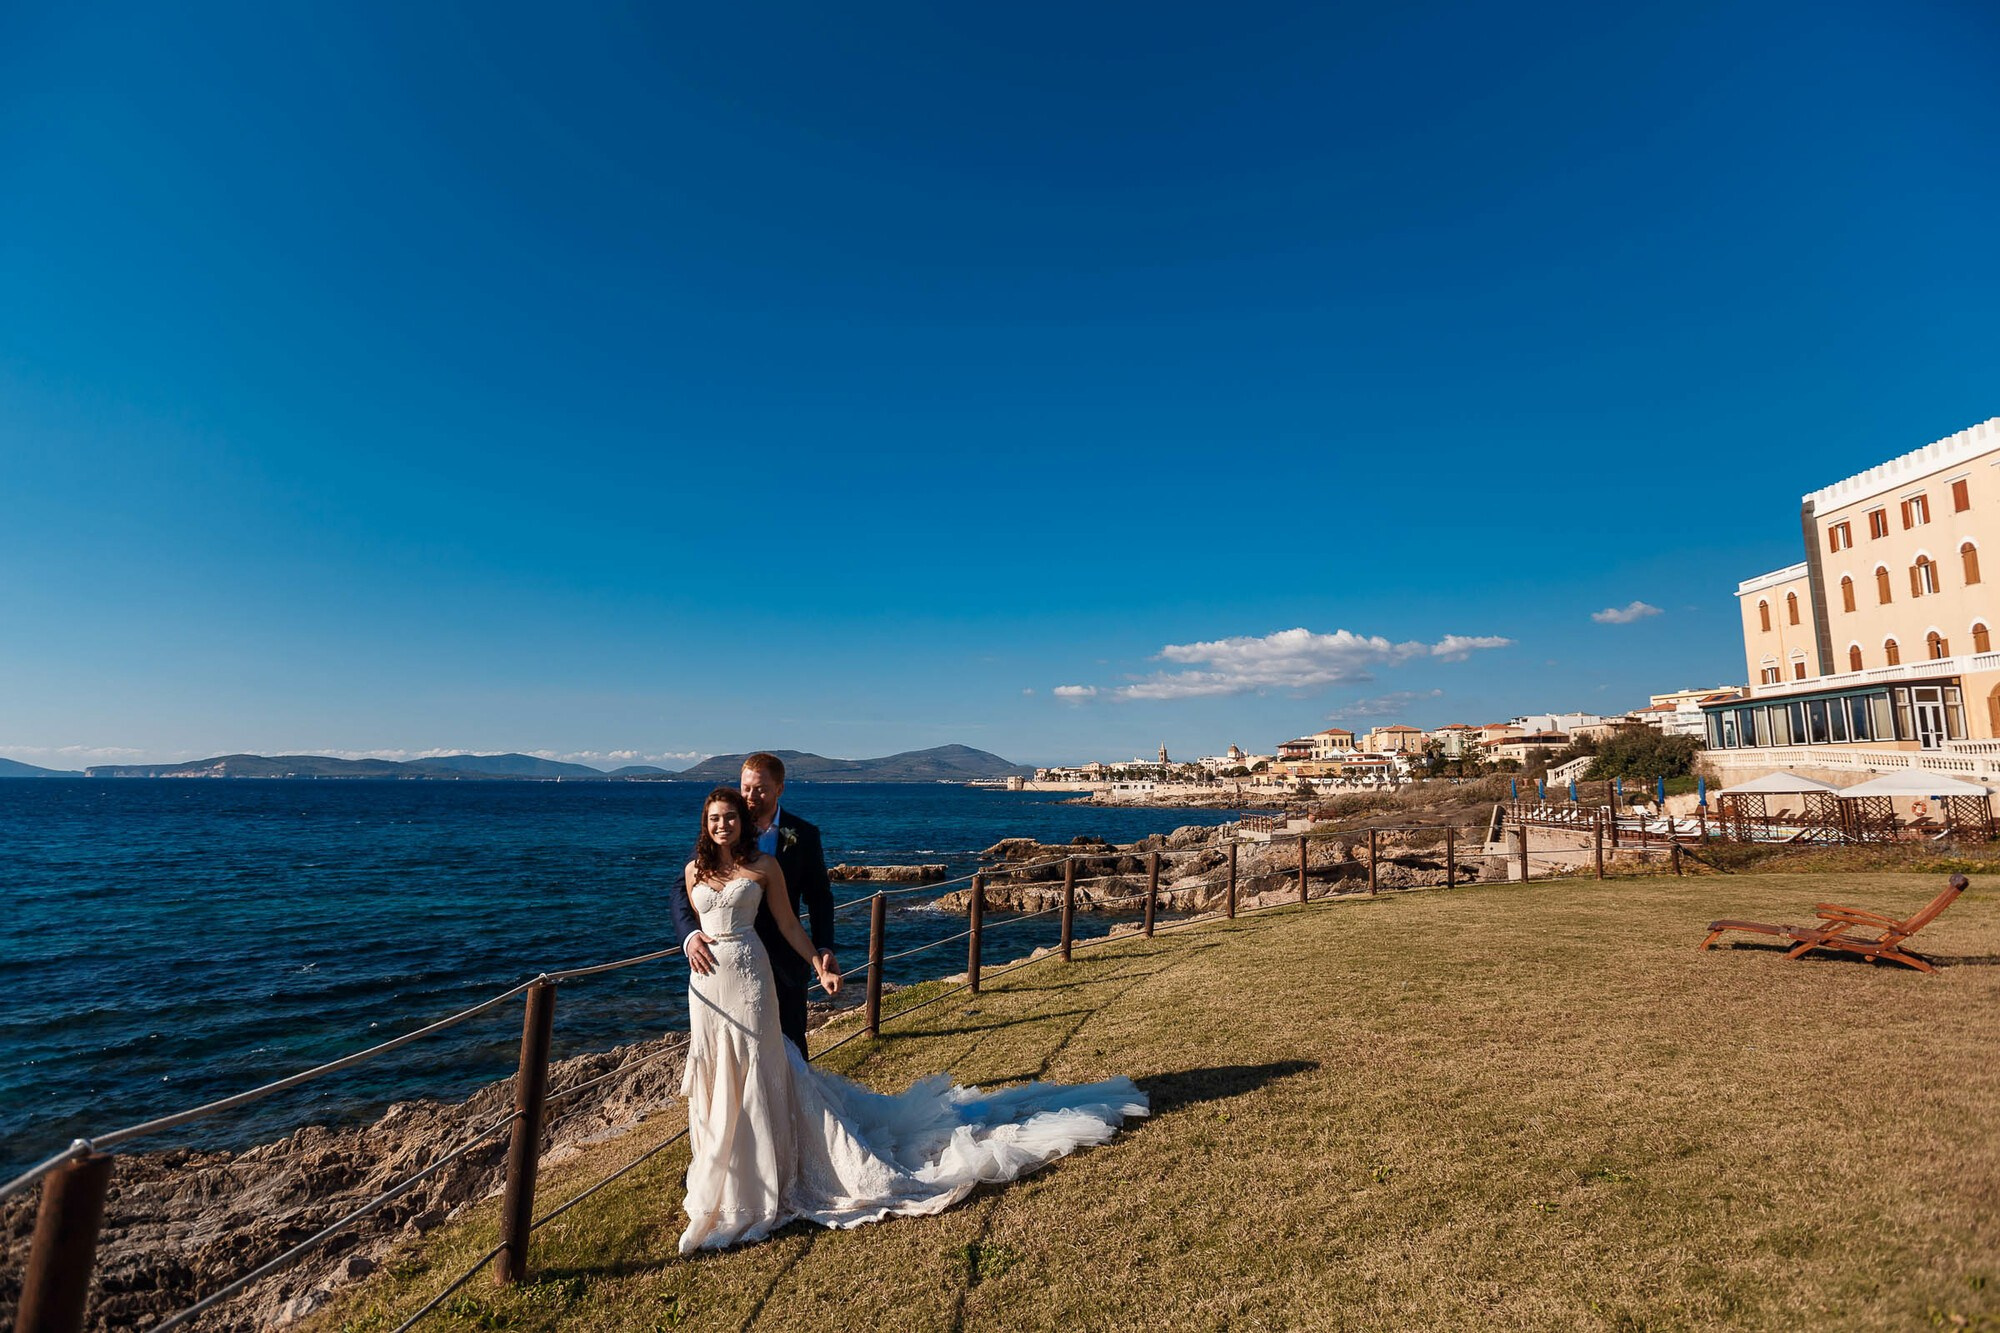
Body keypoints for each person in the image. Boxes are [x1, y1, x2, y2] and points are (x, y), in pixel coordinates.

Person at [675, 787, 1149, 1254]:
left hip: (751, 982)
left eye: (730, 816)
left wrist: (820, 962)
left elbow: (788, 924)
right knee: (718, 1074)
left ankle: (763, 1179)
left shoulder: (764, 867)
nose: (722, 824)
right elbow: (691, 912)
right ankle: (724, 1168)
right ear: (706, 822)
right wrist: (691, 936)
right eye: (714, 817)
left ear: (742, 821)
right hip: (707, 989)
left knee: (760, 1073)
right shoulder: (693, 869)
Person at [670, 753, 837, 1057]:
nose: (750, 796)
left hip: (785, 961)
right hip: (722, 968)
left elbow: (819, 897)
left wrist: (823, 948)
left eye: (760, 789)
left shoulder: (803, 835)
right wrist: (690, 936)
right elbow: (684, 890)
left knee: (789, 1051)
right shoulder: (723, 826)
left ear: (779, 789)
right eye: (746, 788)